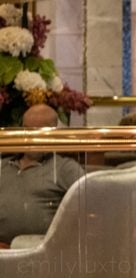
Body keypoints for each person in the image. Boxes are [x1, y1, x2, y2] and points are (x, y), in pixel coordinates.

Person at [0, 104, 84, 248]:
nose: (32, 137)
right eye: (27, 130)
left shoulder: (65, 168)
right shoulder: (4, 165)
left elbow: (92, 204)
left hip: (41, 252)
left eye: (38, 131)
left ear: (53, 133)